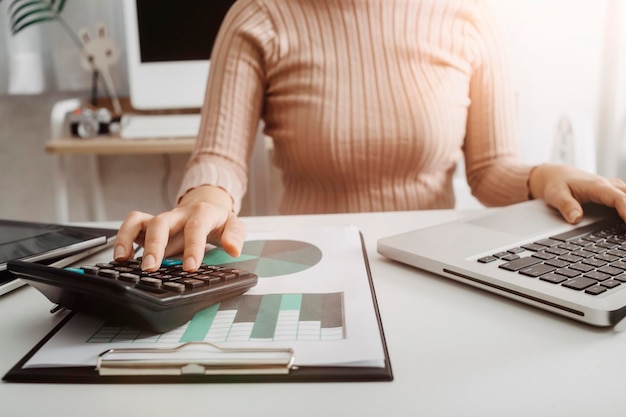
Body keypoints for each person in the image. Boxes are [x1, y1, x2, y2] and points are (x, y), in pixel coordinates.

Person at [114, 0, 626, 273]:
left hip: (435, 266)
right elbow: (219, 159)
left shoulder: (468, 15)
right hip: (310, 265)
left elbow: (490, 172)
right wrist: (204, 201)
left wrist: (550, 174)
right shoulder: (259, 15)